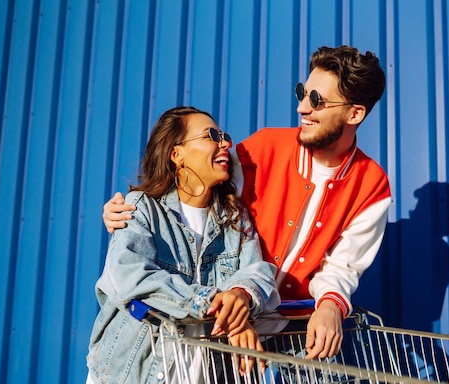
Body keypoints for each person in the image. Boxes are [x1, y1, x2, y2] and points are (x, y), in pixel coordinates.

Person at [103, 45, 391, 361]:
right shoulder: (262, 150)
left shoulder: (372, 185)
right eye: (302, 93)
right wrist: (130, 209)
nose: (301, 109)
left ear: (354, 113)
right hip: (227, 321)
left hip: (297, 323)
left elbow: (342, 266)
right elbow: (195, 196)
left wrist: (332, 305)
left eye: (316, 100)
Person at [81, 106, 280, 384]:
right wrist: (211, 301)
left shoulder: (233, 218)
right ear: (177, 154)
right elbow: (130, 278)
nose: (225, 143)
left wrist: (240, 298)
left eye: (224, 136)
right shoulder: (142, 209)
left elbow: (257, 271)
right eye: (212, 136)